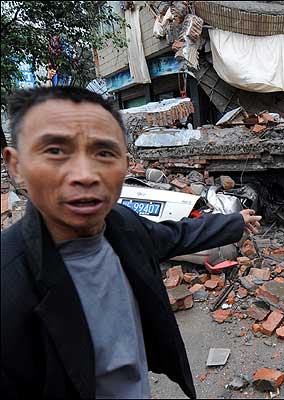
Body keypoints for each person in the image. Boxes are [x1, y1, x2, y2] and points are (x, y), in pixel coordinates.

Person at [1, 86, 261, 399]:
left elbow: (177, 235)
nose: (85, 175)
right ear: (15, 166)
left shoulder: (122, 226)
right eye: (56, 151)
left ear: (125, 164)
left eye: (103, 153)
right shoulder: (8, 283)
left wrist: (234, 222)